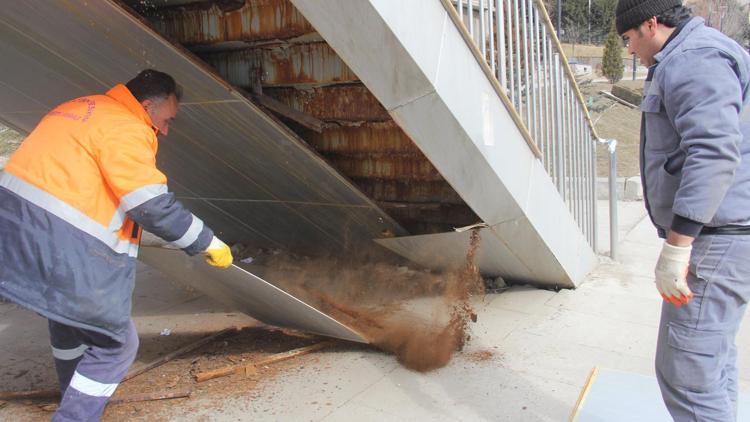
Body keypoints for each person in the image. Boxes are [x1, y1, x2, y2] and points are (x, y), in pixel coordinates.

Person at [0, 69, 233, 421]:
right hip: (61, 242)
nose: (166, 130)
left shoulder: (82, 106)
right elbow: (151, 205)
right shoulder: (126, 127)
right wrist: (207, 241)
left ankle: (72, 393)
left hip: (15, 233)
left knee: (66, 319)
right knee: (117, 344)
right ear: (146, 105)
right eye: (166, 120)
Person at [616, 1, 750, 420]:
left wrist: (678, 246)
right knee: (711, 362)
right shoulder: (699, 51)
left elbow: (711, 154)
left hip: (716, 242)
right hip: (726, 236)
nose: (630, 51)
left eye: (629, 39)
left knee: (687, 376)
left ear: (651, 24)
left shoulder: (695, 59)